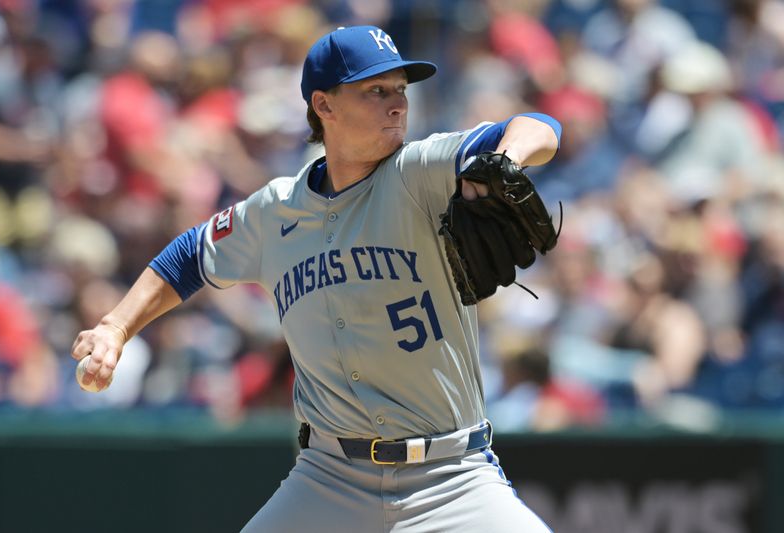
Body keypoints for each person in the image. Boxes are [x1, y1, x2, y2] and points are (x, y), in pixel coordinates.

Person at [71, 25, 561, 532]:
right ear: (324, 106)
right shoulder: (275, 211)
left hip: (451, 478)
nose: (397, 104)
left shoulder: (423, 171)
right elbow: (188, 258)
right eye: (376, 91)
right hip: (329, 479)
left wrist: (508, 158)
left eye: (400, 90)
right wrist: (115, 326)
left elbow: (539, 125)